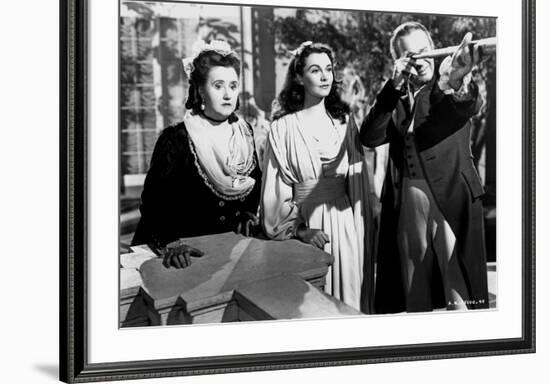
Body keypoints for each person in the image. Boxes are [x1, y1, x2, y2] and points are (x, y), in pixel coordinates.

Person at [359, 22, 490, 313]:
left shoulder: (446, 85)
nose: (420, 62)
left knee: (459, 290)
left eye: (424, 52)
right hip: (408, 204)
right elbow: (369, 136)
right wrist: (393, 86)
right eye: (411, 57)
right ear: (400, 61)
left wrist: (453, 78)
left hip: (450, 198)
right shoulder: (395, 96)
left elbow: (467, 103)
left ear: (433, 48)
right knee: (413, 289)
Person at [261, 41, 375, 313]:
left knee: (350, 302)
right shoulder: (282, 128)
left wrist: (362, 233)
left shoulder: (345, 122)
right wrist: (299, 230)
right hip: (308, 222)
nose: (325, 76)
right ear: (299, 77)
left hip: (348, 224)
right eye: (315, 70)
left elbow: (359, 183)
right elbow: (275, 192)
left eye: (328, 69)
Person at [132, 40, 262, 269]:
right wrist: (172, 244)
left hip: (231, 250)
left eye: (233, 85)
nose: (227, 94)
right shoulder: (176, 139)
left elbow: (256, 181)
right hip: (185, 255)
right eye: (218, 85)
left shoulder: (245, 132)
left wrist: (246, 213)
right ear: (200, 90)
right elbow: (153, 205)